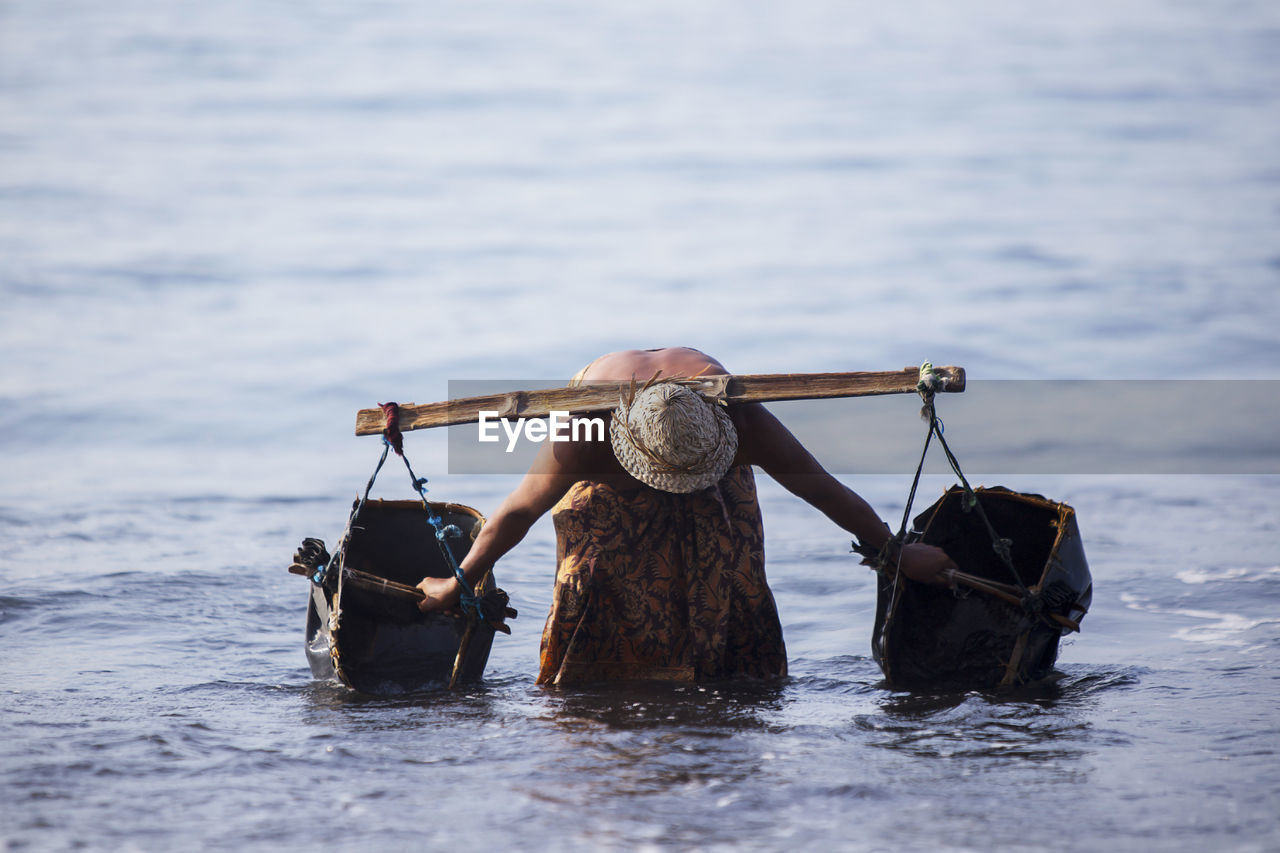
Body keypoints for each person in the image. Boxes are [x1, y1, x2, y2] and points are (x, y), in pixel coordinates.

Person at [417, 347, 957, 684]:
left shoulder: (739, 423)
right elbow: (516, 513)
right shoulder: (584, 436)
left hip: (693, 429)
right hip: (619, 428)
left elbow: (825, 491)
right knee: (596, 573)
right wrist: (457, 580)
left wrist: (896, 552)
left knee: (724, 561)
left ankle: (725, 676)